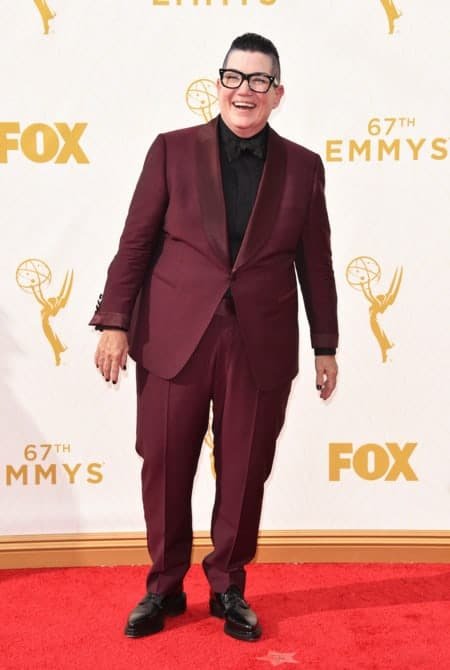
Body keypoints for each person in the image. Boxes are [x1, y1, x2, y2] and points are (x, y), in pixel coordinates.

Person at [90, 33, 338, 642]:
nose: (244, 90)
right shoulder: (171, 150)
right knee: (164, 463)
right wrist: (115, 322)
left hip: (259, 343)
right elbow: (135, 242)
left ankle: (228, 585)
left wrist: (325, 344)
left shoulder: (303, 167)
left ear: (277, 93)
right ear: (218, 83)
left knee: (246, 469)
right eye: (234, 77)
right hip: (174, 338)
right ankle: (164, 586)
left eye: (258, 80)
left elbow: (317, 262)